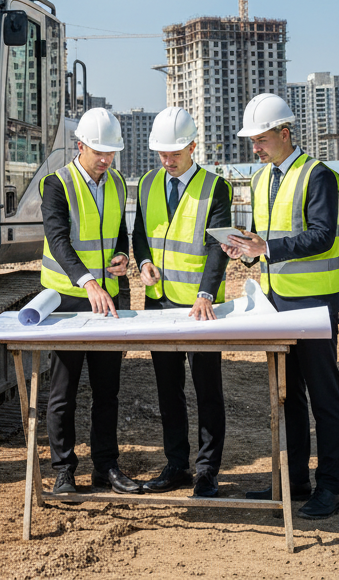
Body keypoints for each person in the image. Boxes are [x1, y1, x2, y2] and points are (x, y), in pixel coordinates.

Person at [222, 93, 339, 519]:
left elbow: (322, 236)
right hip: (276, 304)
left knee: (324, 398)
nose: (254, 148)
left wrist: (268, 247)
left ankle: (331, 489)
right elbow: (265, 237)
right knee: (287, 396)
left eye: (260, 140)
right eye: (252, 141)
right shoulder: (261, 180)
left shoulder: (318, 175)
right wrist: (247, 249)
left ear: (284, 133)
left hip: (314, 305)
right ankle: (295, 483)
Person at [39, 107, 141, 496]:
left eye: (111, 152)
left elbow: (117, 231)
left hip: (107, 301)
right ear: (79, 146)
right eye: (99, 151)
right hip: (67, 301)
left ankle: (106, 467)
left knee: (107, 391)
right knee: (63, 392)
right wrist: (87, 282)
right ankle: (64, 471)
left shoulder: (115, 182)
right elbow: (59, 240)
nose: (106, 159)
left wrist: (121, 257)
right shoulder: (56, 184)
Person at [132, 107, 231, 497]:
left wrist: (206, 292)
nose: (167, 160)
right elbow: (140, 233)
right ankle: (176, 465)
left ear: (193, 146)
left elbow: (217, 246)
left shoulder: (215, 187)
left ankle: (207, 471)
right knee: (167, 389)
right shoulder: (146, 183)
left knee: (207, 390)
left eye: (174, 153)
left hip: (200, 306)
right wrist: (142, 263)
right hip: (158, 302)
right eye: (161, 153)